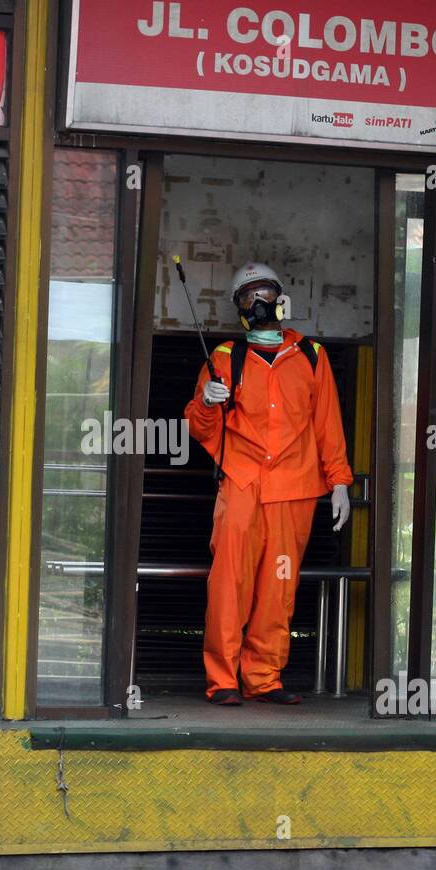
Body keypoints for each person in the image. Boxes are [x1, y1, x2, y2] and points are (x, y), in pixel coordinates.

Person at [184, 261, 353, 705]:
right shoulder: (223, 358)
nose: (259, 305)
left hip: (294, 491)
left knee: (278, 590)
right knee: (229, 585)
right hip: (241, 485)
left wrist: (339, 482)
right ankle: (222, 679)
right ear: (240, 309)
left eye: (265, 295)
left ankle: (263, 678)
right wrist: (205, 400)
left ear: (282, 300)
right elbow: (201, 428)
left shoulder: (312, 357)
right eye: (248, 298)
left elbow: (328, 426)